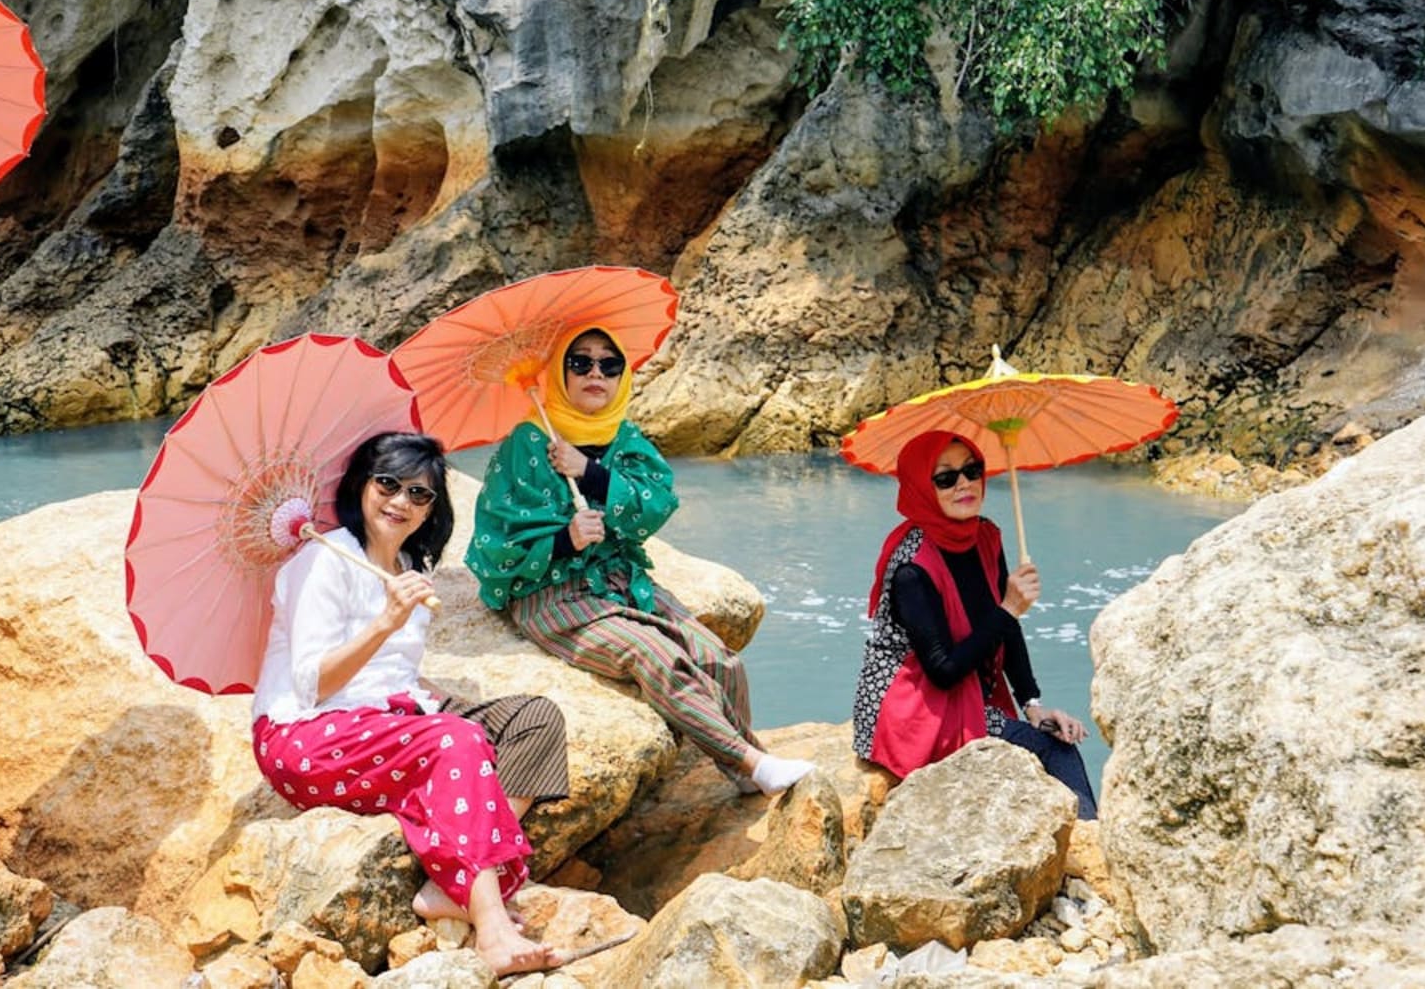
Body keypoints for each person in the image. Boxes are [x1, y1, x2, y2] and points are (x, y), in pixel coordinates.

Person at [251, 432, 569, 977]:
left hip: (390, 716)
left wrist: (434, 696)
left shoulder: (404, 566)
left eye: (420, 494)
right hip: (306, 735)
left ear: (432, 507)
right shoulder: (323, 562)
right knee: (458, 740)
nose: (401, 502)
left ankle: (451, 882)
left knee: (533, 720)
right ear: (360, 486)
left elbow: (393, 674)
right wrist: (385, 623)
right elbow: (315, 684)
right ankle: (490, 923)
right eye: (388, 485)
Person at [466, 328, 815, 795]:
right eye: (581, 363)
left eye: (609, 365)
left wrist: (588, 472)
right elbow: (494, 544)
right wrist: (566, 540)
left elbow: (657, 504)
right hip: (552, 593)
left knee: (719, 659)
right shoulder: (527, 444)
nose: (596, 373)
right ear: (559, 374)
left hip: (620, 579)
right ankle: (752, 762)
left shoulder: (624, 435)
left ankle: (741, 770)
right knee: (655, 656)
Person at [852, 429, 1098, 819]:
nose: (964, 483)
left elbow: (1006, 626)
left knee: (1050, 737)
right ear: (921, 487)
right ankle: (1092, 841)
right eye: (946, 477)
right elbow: (944, 670)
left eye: (972, 471)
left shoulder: (985, 536)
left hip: (971, 689)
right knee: (1054, 749)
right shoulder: (911, 569)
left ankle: (1084, 837)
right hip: (916, 705)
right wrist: (1008, 608)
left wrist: (1032, 703)